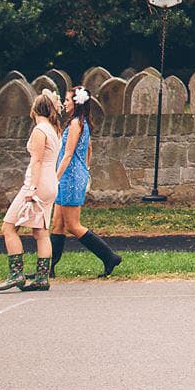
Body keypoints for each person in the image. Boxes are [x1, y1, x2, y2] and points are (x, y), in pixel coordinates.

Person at [0, 89, 63, 291]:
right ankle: (42, 278)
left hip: (38, 183)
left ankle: (16, 274)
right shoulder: (54, 129)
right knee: (41, 232)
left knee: (8, 227)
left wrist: (31, 188)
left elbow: (37, 160)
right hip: (51, 183)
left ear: (36, 109)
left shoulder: (40, 131)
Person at [50, 87, 122, 278]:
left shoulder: (75, 124)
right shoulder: (80, 123)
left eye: (67, 100)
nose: (65, 103)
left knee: (73, 225)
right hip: (71, 175)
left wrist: (54, 178)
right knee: (57, 224)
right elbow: (89, 147)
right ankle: (48, 268)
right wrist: (86, 168)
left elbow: (68, 154)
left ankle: (109, 256)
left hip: (70, 176)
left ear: (76, 102)